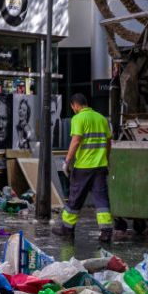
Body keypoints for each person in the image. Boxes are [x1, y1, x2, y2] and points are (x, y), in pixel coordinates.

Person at [57, 93, 113, 243]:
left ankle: (67, 229)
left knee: (75, 198)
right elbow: (108, 143)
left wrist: (67, 161)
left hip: (83, 166)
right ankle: (106, 232)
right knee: (101, 200)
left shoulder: (78, 118)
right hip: (100, 166)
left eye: (72, 107)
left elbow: (76, 141)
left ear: (75, 105)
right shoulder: (102, 119)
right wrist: (106, 160)